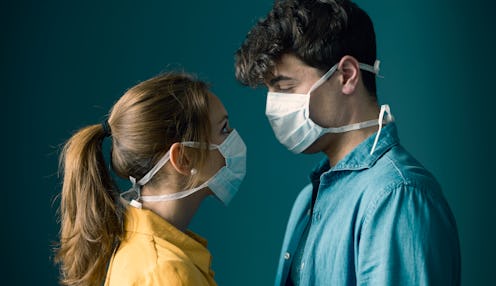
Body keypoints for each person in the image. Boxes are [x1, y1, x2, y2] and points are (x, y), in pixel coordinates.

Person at [235, 0, 460, 285]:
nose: (274, 107)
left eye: (285, 88)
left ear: (347, 76)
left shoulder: (397, 197)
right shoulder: (309, 199)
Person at [55, 72, 247, 286]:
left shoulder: (149, 250)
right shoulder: (167, 273)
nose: (234, 138)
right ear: (183, 159)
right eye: (223, 129)